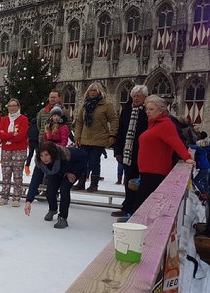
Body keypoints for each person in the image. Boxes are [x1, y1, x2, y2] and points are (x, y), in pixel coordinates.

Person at [131, 95, 194, 216]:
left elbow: (176, 142)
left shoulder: (166, 124)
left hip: (155, 173)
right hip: (148, 171)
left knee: (142, 206)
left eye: (151, 109)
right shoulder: (154, 124)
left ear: (161, 110)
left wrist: (187, 157)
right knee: (143, 205)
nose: (147, 112)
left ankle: (135, 231)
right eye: (147, 109)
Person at [24, 142, 88, 229]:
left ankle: (63, 217)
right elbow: (35, 181)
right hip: (57, 171)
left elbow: (84, 156)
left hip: (72, 169)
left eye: (46, 155)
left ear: (52, 153)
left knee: (64, 188)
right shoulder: (40, 163)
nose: (44, 158)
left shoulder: (65, 154)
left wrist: (73, 172)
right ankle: (53, 209)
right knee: (50, 190)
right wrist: (28, 201)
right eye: (41, 155)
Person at [73, 82, 118, 192]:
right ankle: (81, 182)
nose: (92, 93)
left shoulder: (106, 105)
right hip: (85, 138)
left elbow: (114, 119)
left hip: (99, 138)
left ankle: (94, 184)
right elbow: (79, 122)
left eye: (94, 90)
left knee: (94, 161)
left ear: (99, 92)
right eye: (90, 90)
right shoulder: (85, 105)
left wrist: (112, 134)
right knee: (83, 161)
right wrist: (77, 136)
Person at [111, 85, 149, 218]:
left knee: (140, 183)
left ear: (145, 98)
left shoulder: (147, 112)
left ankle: (137, 209)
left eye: (139, 96)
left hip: (142, 152)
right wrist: (118, 151)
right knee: (128, 181)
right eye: (134, 96)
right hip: (127, 152)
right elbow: (121, 131)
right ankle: (126, 206)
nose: (136, 98)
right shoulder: (127, 110)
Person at [0, 99, 29, 207]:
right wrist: (11, 135)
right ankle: (4, 196)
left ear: (18, 106)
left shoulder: (23, 119)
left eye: (14, 105)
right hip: (6, 150)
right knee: (6, 174)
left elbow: (21, 135)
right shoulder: (4, 119)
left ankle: (16, 197)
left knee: (17, 175)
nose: (12, 108)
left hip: (19, 150)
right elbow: (0, 134)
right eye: (9, 106)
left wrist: (7, 136)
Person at [24, 112, 39, 176]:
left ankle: (27, 167)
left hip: (31, 142)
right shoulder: (38, 125)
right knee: (38, 155)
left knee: (30, 155)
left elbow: (27, 133)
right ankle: (38, 168)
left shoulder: (30, 125)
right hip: (37, 141)